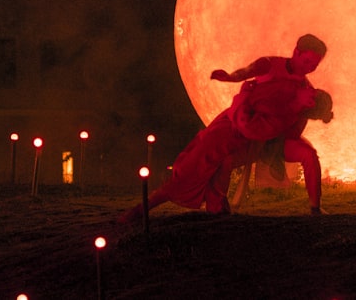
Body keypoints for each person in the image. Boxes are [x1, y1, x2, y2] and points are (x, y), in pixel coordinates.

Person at [118, 77, 329, 222]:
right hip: (234, 129)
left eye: (311, 101)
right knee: (193, 171)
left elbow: (283, 132)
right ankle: (211, 205)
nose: (309, 92)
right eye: (310, 95)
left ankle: (314, 207)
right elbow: (252, 90)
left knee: (307, 155)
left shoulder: (297, 113)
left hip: (254, 141)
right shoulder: (283, 91)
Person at [212, 34, 330, 214]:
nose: (309, 69)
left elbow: (304, 117)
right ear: (296, 52)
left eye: (314, 66)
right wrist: (230, 77)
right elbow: (246, 71)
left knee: (309, 156)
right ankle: (219, 204)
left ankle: (316, 207)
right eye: (307, 62)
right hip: (251, 131)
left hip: (278, 138)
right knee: (225, 160)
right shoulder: (270, 64)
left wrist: (320, 112)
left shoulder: (306, 88)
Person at [232, 89, 333, 214]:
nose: (313, 118)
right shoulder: (292, 103)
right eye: (315, 116)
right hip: (265, 139)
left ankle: (315, 206)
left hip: (282, 140)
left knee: (309, 155)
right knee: (231, 159)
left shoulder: (302, 107)